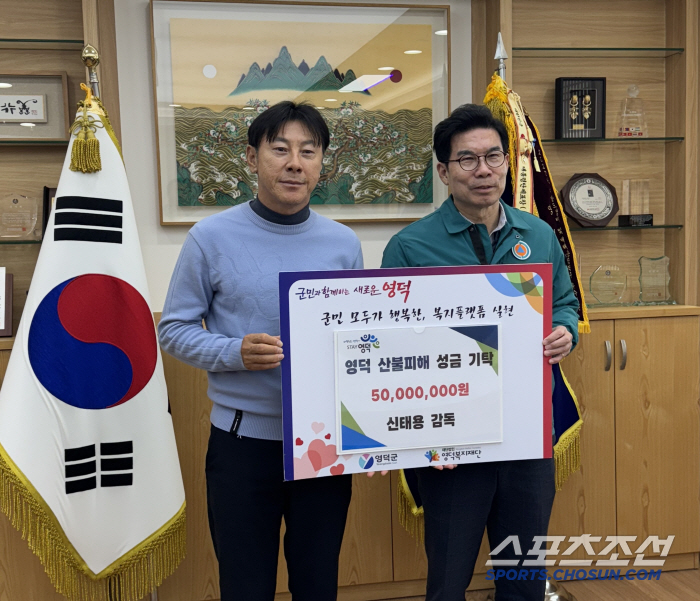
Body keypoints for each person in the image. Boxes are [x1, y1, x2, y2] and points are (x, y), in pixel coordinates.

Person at [158, 101, 363, 601]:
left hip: (322, 444)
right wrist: (234, 352)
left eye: (308, 151)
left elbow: (357, 339)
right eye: (280, 149)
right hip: (242, 445)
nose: (294, 163)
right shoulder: (209, 238)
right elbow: (174, 329)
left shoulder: (343, 243)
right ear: (252, 158)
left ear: (322, 163)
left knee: (318, 582)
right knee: (245, 584)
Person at [381, 104, 579, 601]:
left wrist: (565, 330)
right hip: (451, 439)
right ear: (444, 172)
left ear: (507, 163)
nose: (484, 170)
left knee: (523, 576)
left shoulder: (538, 235)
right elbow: (391, 344)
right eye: (467, 159)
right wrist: (420, 436)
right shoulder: (410, 247)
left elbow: (565, 303)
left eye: (494, 156)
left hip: (526, 433)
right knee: (448, 579)